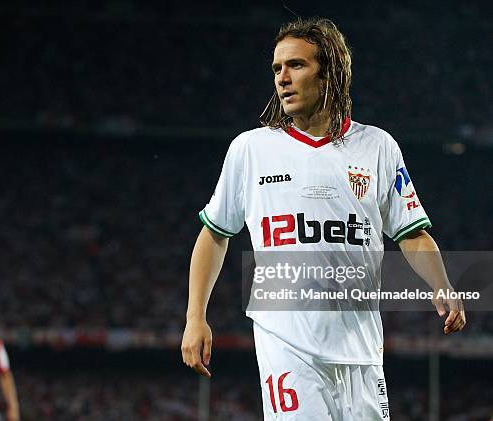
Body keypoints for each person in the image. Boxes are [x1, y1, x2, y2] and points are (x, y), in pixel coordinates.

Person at [181, 17, 466, 420]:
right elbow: (214, 234)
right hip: (287, 343)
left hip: (362, 349)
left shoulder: (377, 146)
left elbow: (411, 233)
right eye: (277, 68)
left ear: (330, 71)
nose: (283, 78)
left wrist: (443, 284)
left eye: (296, 65)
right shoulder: (251, 149)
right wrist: (196, 317)